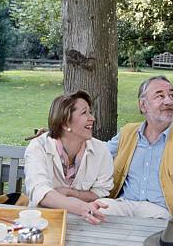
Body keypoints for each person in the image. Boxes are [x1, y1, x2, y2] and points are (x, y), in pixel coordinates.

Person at [97, 75, 173, 219]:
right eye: (160, 96)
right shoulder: (128, 132)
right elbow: (99, 154)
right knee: (97, 209)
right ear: (143, 105)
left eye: (171, 95)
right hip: (125, 205)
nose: (168, 101)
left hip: (163, 212)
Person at [24, 90, 112, 225]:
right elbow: (39, 191)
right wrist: (81, 206)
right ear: (65, 124)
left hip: (86, 222)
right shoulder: (38, 147)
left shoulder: (101, 150)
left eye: (90, 112)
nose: (92, 118)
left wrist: (70, 193)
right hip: (43, 221)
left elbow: (101, 192)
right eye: (84, 113)